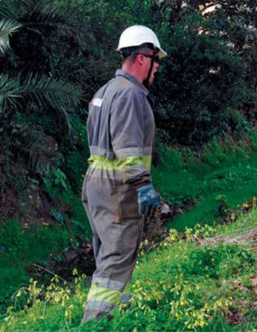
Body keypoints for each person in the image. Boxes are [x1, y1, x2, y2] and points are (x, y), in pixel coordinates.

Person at [81, 25, 166, 322]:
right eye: (156, 62)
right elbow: (128, 150)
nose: (157, 70)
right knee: (115, 260)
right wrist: (144, 186)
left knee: (107, 256)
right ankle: (94, 323)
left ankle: (118, 315)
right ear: (144, 58)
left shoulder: (105, 91)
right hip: (119, 189)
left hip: (96, 184)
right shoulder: (130, 95)